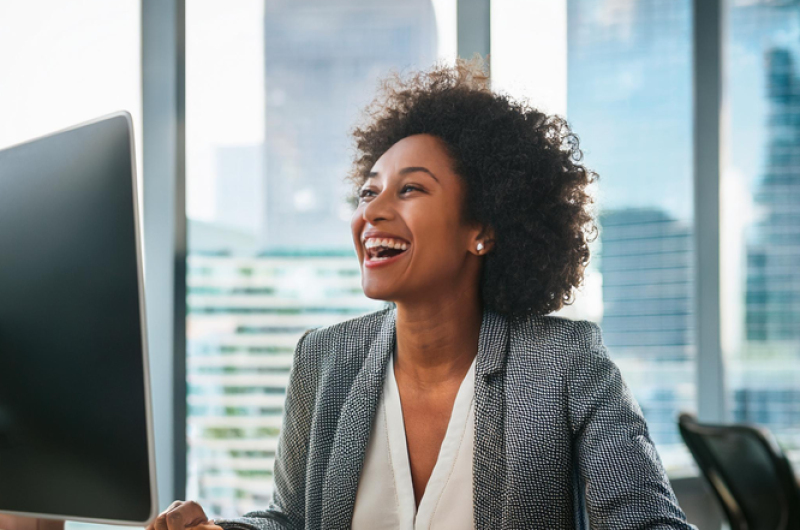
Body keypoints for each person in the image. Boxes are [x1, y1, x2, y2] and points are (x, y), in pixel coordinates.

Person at [147, 55, 697, 530]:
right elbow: (293, 519)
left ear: (481, 229)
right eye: (368, 191)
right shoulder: (322, 359)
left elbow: (646, 520)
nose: (373, 213)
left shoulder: (563, 363)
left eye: (410, 189)